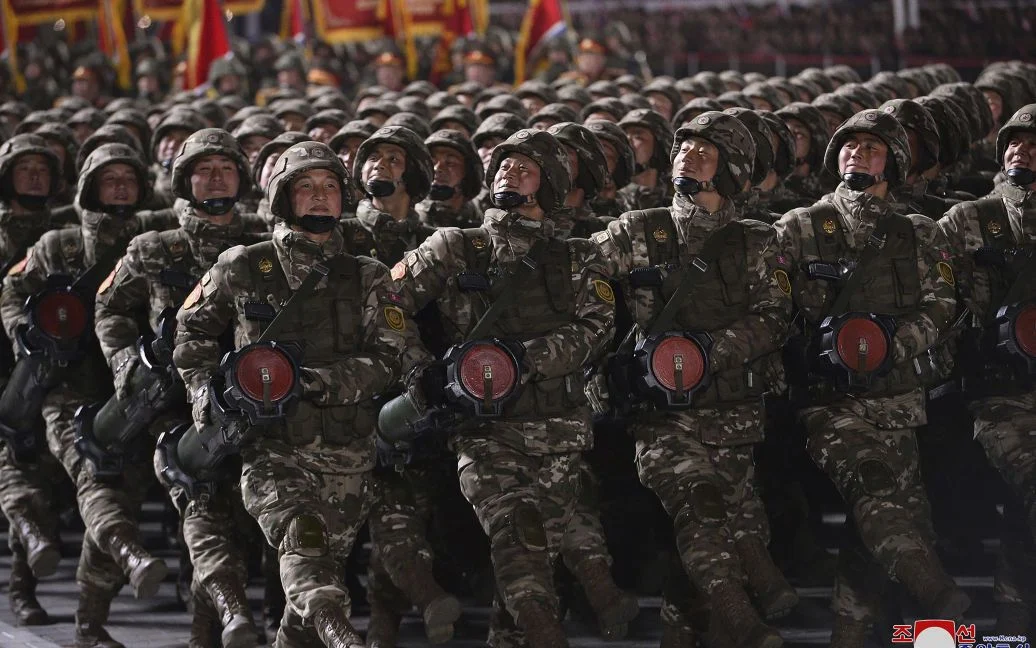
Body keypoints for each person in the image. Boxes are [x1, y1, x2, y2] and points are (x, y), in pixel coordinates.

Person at [174, 140, 410, 647]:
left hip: (348, 453)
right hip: (271, 446)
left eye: (330, 186)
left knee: (311, 582)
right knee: (304, 550)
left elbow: (389, 358)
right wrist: (203, 394)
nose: (320, 196)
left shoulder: (368, 275)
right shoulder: (242, 264)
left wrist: (309, 382)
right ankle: (344, 638)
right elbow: (191, 333)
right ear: (284, 196)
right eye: (306, 186)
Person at [390, 128, 614, 647]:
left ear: (550, 185)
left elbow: (596, 329)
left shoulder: (578, 257)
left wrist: (523, 361)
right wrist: (418, 367)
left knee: (535, 559)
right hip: (483, 431)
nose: (510, 173)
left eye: (525, 168)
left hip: (558, 432)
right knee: (518, 538)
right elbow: (384, 304)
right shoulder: (455, 246)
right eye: (505, 165)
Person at [591, 111, 793, 648]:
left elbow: (774, 318)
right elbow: (579, 284)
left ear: (732, 170)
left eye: (705, 153)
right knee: (699, 507)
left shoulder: (756, 240)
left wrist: (706, 354)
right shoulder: (638, 230)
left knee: (732, 528)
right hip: (662, 414)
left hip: (733, 412)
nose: (688, 157)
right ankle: (743, 619)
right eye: (684, 149)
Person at [774, 109, 968, 645]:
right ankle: (934, 589)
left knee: (889, 521)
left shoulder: (918, 231)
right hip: (829, 401)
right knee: (873, 486)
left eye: (872, 147)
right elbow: (771, 305)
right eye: (849, 144)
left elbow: (942, 305)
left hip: (898, 399)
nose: (857, 153)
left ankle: (851, 633)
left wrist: (890, 348)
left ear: (894, 163)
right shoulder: (799, 226)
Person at [94, 128, 268, 648]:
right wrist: (127, 366)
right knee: (200, 502)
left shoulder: (263, 242)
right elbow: (110, 307)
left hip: (249, 400)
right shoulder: (154, 248)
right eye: (204, 170)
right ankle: (226, 613)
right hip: (173, 403)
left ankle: (204, 632)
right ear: (184, 180)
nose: (216, 178)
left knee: (240, 522)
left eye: (226, 169)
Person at [0, 142, 170, 648]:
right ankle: (28, 584)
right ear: (89, 187)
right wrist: (26, 335)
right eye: (108, 179)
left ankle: (89, 621)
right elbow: (12, 291)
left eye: (128, 179)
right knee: (85, 478)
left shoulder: (153, 242)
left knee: (125, 496)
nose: (119, 187)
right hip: (66, 385)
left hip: (130, 390)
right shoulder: (59, 244)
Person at [938, 103, 1036, 633]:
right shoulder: (970, 219)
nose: (1022, 151)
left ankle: (1013, 619)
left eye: (1035, 145)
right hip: (1000, 394)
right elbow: (933, 301)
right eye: (1014, 142)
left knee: (1024, 507)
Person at [416, 129, 485, 229]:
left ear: (468, 172)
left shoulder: (479, 218)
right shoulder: (411, 217)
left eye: (450, 163)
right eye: (432, 162)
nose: (437, 168)